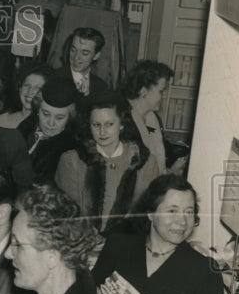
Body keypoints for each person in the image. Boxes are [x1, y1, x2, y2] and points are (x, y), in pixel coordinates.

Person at [92, 174, 224, 294]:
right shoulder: (119, 246)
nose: (182, 221)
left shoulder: (206, 271)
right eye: (172, 211)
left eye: (188, 212)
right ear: (150, 213)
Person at [54, 91, 161, 234]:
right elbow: (66, 214)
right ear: (89, 125)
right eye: (96, 124)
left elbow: (148, 216)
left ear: (122, 124)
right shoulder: (71, 161)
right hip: (82, 243)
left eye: (109, 124)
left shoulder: (146, 163)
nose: (102, 132)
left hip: (127, 245)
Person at [121, 60, 184, 175]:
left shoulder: (153, 119)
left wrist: (171, 171)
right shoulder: (123, 119)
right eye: (161, 91)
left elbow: (156, 167)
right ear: (143, 91)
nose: (164, 96)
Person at [17, 75, 79, 184]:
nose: (50, 123)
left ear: (69, 118)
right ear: (37, 110)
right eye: (45, 114)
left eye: (59, 118)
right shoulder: (24, 129)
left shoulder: (70, 151)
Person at [62, 27, 109, 108]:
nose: (76, 57)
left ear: (96, 55)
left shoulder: (101, 87)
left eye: (84, 53)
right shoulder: (55, 78)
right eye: (73, 50)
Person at [0, 64, 49, 130]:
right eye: (27, 85)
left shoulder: (49, 125)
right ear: (19, 88)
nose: (30, 91)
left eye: (37, 88)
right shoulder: (1, 121)